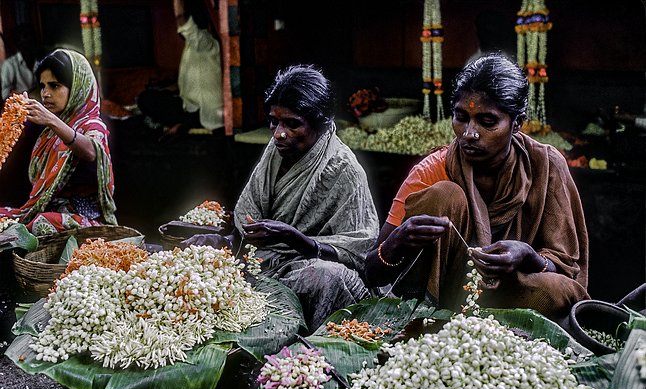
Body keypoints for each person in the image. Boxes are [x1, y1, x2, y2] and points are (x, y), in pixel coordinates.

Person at [364, 53, 590, 324]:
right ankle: (425, 322)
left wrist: (528, 257)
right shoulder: (432, 171)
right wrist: (398, 241)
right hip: (444, 304)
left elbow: (565, 269)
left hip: (512, 297)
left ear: (517, 123)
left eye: (487, 121)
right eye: (461, 117)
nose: (469, 133)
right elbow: (373, 272)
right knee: (444, 194)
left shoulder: (546, 165)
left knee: (554, 292)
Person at [184, 64, 380, 331]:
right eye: (274, 122)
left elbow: (359, 250)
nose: (278, 133)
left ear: (319, 124)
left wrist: (296, 239)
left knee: (327, 277)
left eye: (292, 124)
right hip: (264, 261)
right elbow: (250, 225)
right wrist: (226, 240)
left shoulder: (342, 169)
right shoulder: (276, 151)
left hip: (311, 268)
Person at [0, 49, 117, 236]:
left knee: (42, 223)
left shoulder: (92, 124)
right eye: (43, 86)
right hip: (51, 210)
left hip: (83, 217)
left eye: (54, 86)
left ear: (78, 87)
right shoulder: (49, 130)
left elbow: (91, 151)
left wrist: (52, 121)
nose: (45, 93)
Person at [136, 0, 224, 141]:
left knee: (147, 100)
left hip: (204, 114)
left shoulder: (205, 42)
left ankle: (183, 125)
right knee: (147, 98)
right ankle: (182, 124)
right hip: (189, 107)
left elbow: (180, 17)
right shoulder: (193, 47)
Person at [1, 24, 41, 101]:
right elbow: (5, 94)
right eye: (22, 40)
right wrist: (22, 96)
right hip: (22, 106)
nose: (26, 44)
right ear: (17, 44)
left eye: (30, 40)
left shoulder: (41, 59)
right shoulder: (9, 65)